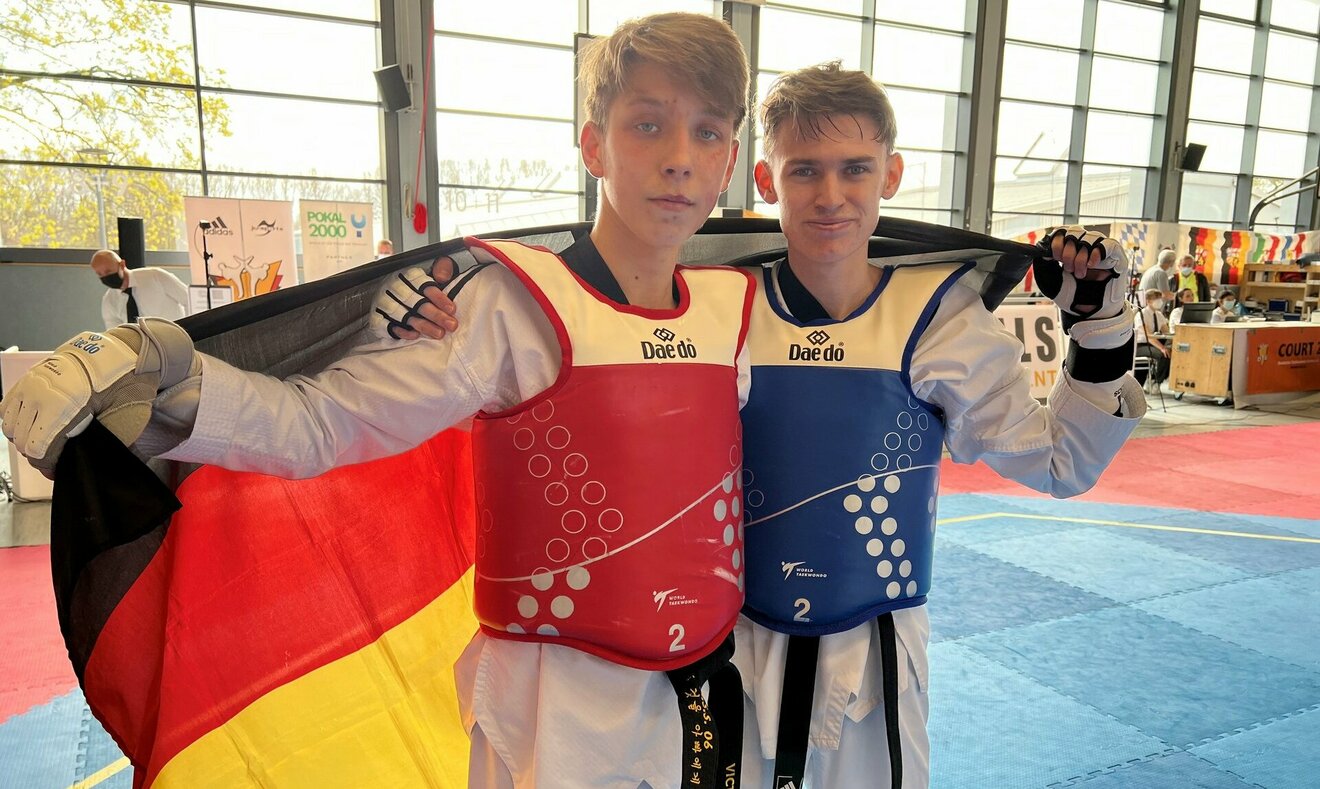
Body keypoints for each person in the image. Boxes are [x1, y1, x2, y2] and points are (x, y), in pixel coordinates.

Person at [4, 13, 756, 789]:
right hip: (557, 712)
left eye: (707, 133)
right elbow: (320, 424)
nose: (679, 158)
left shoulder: (736, 312)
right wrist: (164, 377)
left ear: (731, 158)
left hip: (707, 693)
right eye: (648, 124)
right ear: (594, 145)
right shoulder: (508, 307)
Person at [378, 61, 1144, 789]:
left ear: (892, 174)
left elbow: (1059, 464)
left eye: (855, 169)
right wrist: (429, 307)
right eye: (804, 170)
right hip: (718, 651)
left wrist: (1102, 330)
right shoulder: (712, 303)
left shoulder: (939, 316)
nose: (830, 196)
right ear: (766, 179)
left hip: (868, 657)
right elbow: (578, 315)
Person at [90, 249, 189, 329]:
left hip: (174, 337)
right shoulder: (109, 300)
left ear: (122, 265)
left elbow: (188, 299)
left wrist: (189, 330)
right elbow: (115, 332)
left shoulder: (155, 276)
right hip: (141, 345)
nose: (105, 277)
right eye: (100, 274)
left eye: (108, 271)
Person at [1135, 288, 1171, 384]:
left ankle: (1160, 379)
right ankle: (1156, 382)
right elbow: (1148, 336)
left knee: (1171, 352)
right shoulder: (1142, 314)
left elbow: (1166, 332)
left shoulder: (1159, 315)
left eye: (1160, 298)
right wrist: (1162, 348)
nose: (1159, 301)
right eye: (1156, 298)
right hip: (1141, 345)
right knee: (1163, 355)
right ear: (1148, 301)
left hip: (1154, 344)